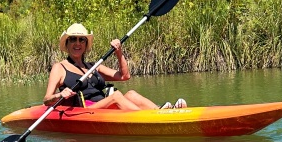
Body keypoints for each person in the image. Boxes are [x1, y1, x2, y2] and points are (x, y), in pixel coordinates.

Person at [45, 23, 187, 110]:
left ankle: (161, 111)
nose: (77, 43)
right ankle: (152, 119)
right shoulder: (59, 67)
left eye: (81, 39)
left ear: (85, 44)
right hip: (87, 110)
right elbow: (46, 99)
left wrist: (119, 53)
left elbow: (124, 76)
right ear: (67, 43)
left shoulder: (93, 66)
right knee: (116, 96)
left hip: (104, 105)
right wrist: (59, 95)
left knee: (130, 94)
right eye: (73, 39)